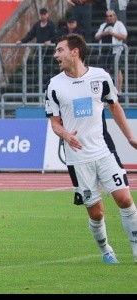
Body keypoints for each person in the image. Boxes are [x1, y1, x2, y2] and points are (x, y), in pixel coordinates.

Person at [45, 33, 137, 265]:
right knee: (96, 213)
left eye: (60, 50)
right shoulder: (55, 85)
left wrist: (129, 137)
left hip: (104, 151)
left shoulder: (100, 77)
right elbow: (54, 122)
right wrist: (66, 134)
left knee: (125, 199)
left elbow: (114, 107)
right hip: (78, 158)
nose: (56, 55)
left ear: (74, 52)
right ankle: (106, 250)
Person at [94, 10, 128, 93]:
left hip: (115, 51)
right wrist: (103, 34)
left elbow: (124, 36)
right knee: (105, 71)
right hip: (104, 51)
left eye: (111, 16)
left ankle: (119, 90)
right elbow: (96, 37)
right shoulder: (103, 25)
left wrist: (112, 33)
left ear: (115, 16)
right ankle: (106, 90)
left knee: (117, 70)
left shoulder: (119, 24)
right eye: (108, 16)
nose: (109, 18)